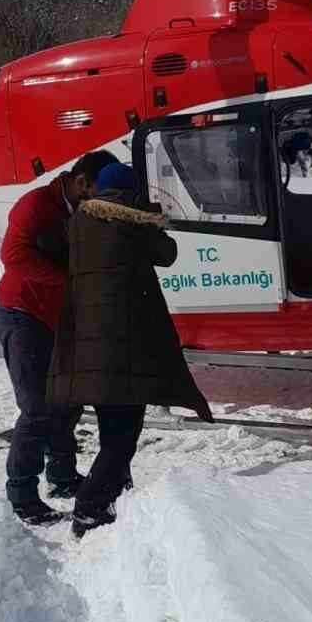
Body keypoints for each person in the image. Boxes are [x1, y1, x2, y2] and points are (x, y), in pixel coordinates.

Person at [47, 162, 213, 537]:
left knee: (112, 429)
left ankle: (118, 495)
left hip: (87, 346)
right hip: (124, 345)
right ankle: (89, 507)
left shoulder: (76, 224)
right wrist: (151, 219)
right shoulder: (131, 223)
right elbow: (167, 253)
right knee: (123, 438)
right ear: (129, 194)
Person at [0, 149, 121, 525]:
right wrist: (69, 283)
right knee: (37, 409)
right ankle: (22, 495)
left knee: (67, 403)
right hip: (24, 315)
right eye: (97, 192)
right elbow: (13, 256)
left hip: (60, 318)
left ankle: (63, 478)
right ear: (82, 182)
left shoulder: (86, 210)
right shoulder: (35, 205)